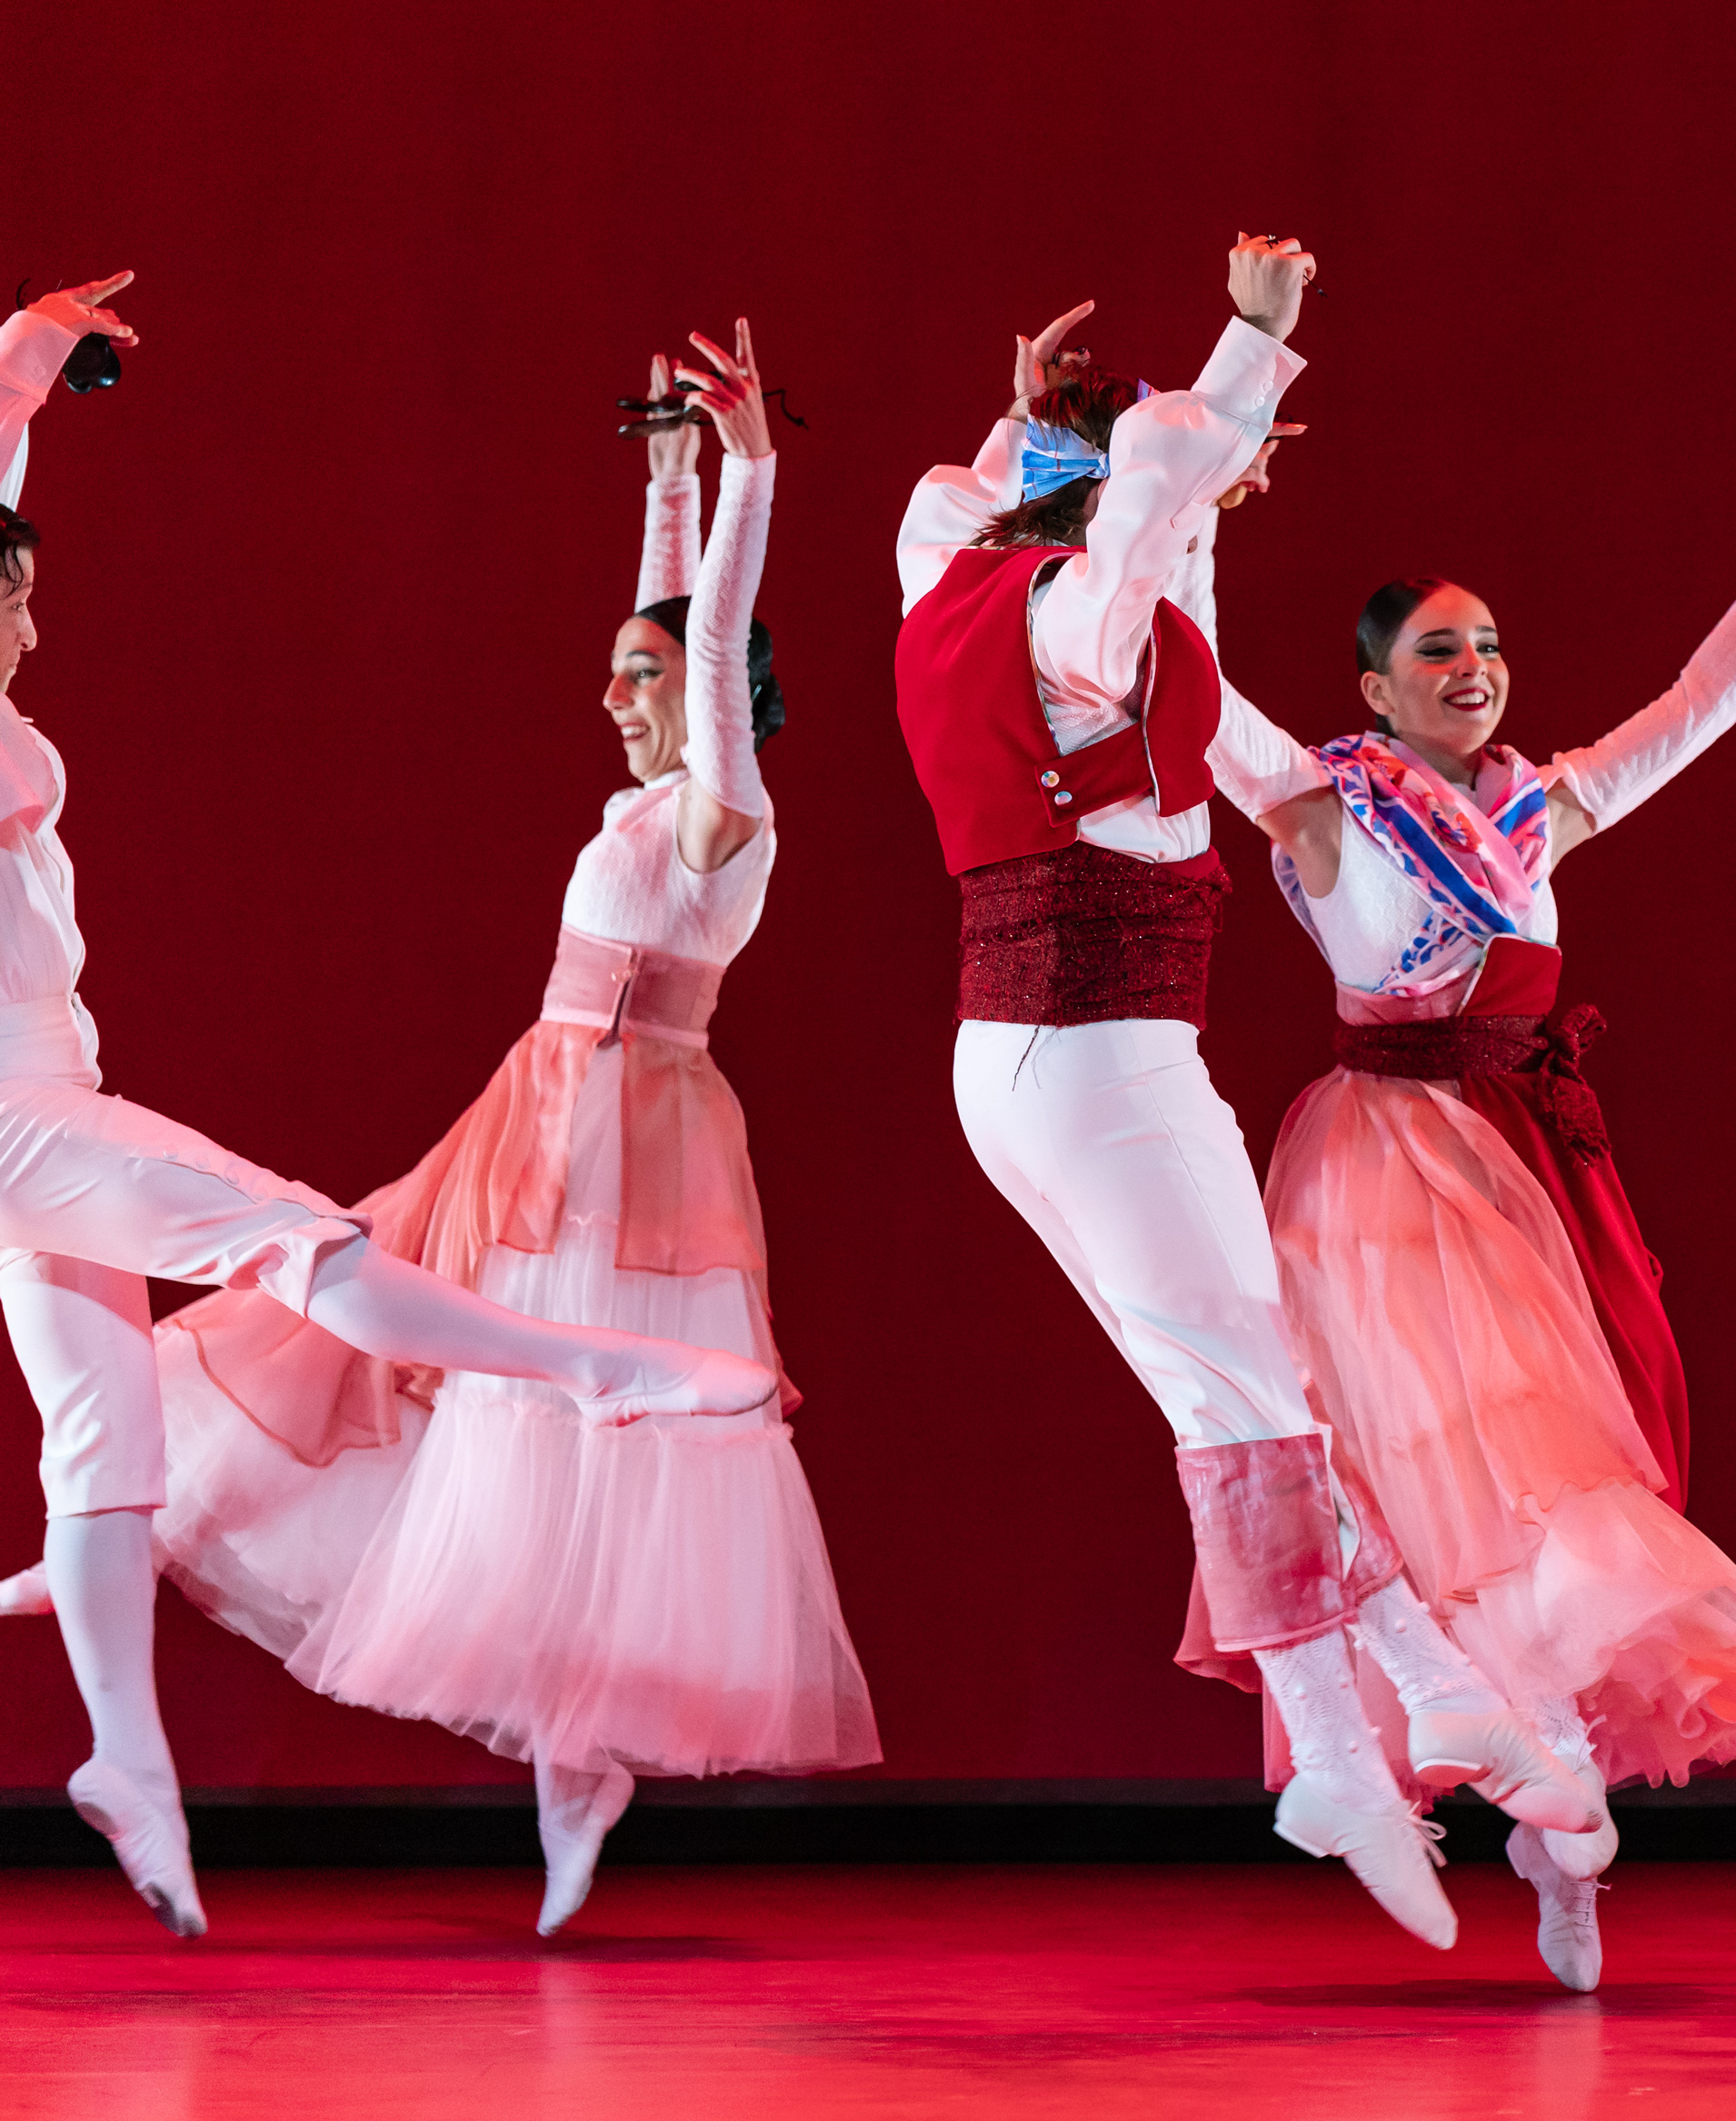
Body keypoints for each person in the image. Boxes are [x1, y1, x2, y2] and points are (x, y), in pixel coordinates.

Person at [38, 322, 879, 1937]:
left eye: (645, 674)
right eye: (619, 669)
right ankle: (120, 1519)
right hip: (540, 1114)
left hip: (641, 1146)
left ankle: (576, 1757)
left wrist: (749, 476)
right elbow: (662, 630)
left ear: (715, 701)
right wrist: (663, 480)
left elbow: (702, 652)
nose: (617, 687)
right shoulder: (641, 803)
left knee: (559, 1417)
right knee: (397, 1354)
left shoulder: (727, 813)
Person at [890, 235, 1593, 1952]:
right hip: (1108, 1060)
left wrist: (1033, 415)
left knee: (1244, 1391)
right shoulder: (1073, 617)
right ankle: (1353, 1744)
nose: (1214, 506)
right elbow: (1141, 514)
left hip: (1022, 1063)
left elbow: (1076, 500)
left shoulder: (937, 578)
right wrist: (1252, 343)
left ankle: (1409, 1697)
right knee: (1246, 1406)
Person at [1237, 455, 1736, 1989]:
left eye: (1487, 643)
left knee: (1553, 1473)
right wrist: (1184, 504)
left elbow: (1691, 713)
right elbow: (1195, 699)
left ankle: (1559, 1813)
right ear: (1373, 686)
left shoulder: (1530, 809)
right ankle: (1524, 1771)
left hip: (1519, 1167)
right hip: (1381, 1178)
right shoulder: (1327, 811)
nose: (1473, 668)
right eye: (1436, 649)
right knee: (1450, 1480)